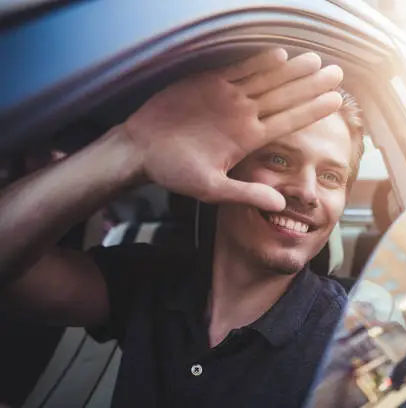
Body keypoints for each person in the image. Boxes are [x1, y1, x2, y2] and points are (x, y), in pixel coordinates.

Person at [0, 48, 365, 407]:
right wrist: (131, 148)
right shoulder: (153, 282)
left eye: (331, 177)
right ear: (226, 167)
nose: (306, 192)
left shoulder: (352, 347)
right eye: (279, 159)